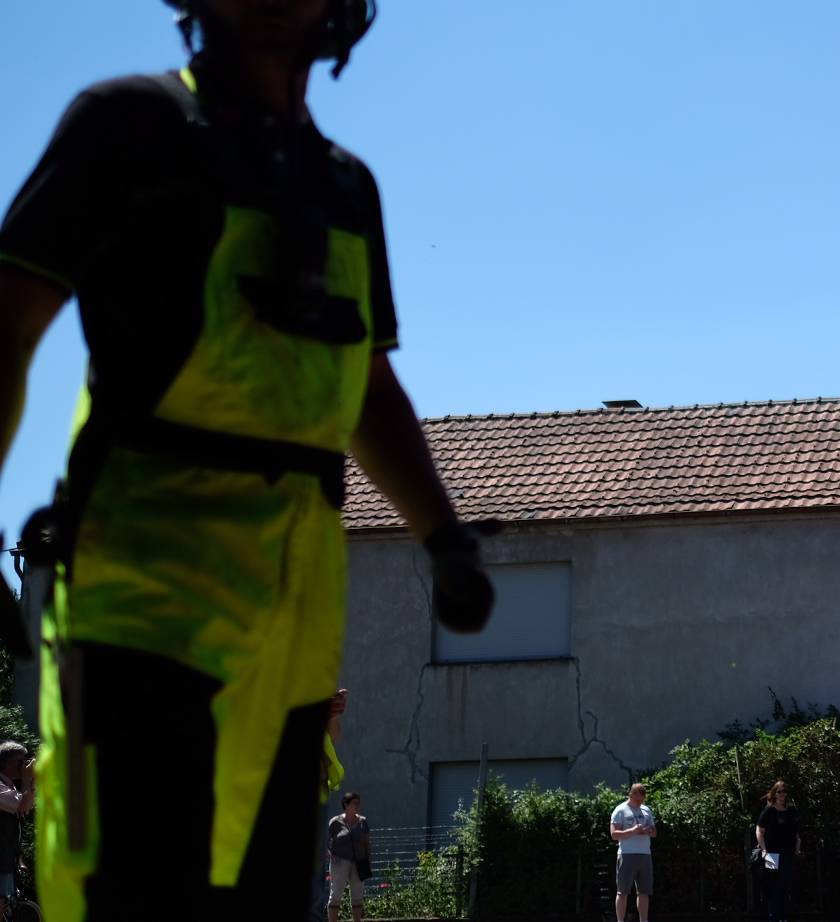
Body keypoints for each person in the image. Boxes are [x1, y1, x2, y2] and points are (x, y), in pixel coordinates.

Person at [0, 1, 497, 919]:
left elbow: (366, 389)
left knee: (263, 901)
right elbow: (8, 325)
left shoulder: (348, 187)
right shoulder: (127, 125)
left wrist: (445, 539)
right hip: (142, 595)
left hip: (291, 631)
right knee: (136, 895)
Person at [753, 780, 800, 922]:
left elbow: (795, 831)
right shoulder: (769, 811)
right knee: (773, 886)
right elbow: (759, 831)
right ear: (775, 793)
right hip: (771, 853)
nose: (782, 794)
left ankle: (784, 917)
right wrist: (764, 850)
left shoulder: (791, 810)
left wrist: (798, 845)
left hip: (788, 852)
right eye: (779, 792)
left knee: (785, 885)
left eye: (784, 791)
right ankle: (773, 917)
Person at [611, 783, 657, 922]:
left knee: (644, 892)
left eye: (643, 797)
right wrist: (632, 831)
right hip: (627, 854)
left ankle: (644, 920)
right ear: (631, 794)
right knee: (623, 891)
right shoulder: (620, 810)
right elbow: (614, 834)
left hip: (645, 855)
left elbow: (654, 832)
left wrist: (649, 831)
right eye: (639, 797)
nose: (641, 801)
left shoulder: (646, 810)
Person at [325, 792, 371, 922]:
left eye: (358, 803)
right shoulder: (335, 822)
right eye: (354, 803)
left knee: (357, 896)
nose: (358, 805)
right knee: (335, 896)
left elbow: (367, 842)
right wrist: (329, 853)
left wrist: (368, 859)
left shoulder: (363, 821)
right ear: (346, 805)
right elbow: (325, 840)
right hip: (340, 862)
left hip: (359, 862)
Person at [0, 743, 32, 905]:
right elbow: (21, 805)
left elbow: (25, 808)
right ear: (4, 763)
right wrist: (27, 778)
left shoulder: (9, 785)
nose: (23, 766)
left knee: (5, 903)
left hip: (7, 858)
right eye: (19, 762)